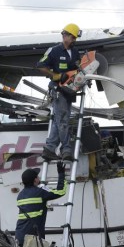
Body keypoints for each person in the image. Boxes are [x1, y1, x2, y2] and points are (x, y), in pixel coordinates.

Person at [37, 23, 83, 161]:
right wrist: (55, 76)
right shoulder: (54, 51)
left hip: (69, 90)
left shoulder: (75, 52)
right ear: (65, 35)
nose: (74, 40)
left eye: (75, 38)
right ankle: (66, 149)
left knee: (60, 119)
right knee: (63, 120)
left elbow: (78, 68)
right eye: (72, 37)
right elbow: (40, 66)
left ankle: (50, 149)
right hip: (58, 90)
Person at [15, 163, 67, 247]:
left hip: (20, 236)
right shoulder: (40, 193)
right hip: (34, 238)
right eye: (37, 177)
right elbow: (61, 191)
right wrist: (61, 174)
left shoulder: (20, 195)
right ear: (35, 180)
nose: (39, 178)